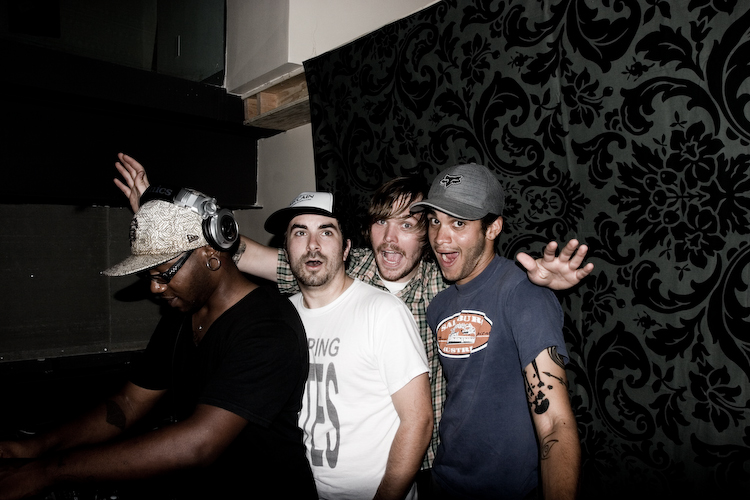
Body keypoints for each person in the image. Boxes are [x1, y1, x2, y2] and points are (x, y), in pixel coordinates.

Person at [112, 154, 594, 492]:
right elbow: (238, 253)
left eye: (409, 224)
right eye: (382, 222)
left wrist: (538, 284)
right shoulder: (345, 266)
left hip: (426, 469)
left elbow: (488, 276)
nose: (391, 239)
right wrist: (162, 222)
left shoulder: (443, 287)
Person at [0, 187, 316, 500]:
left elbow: (198, 445)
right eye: (148, 276)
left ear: (210, 255)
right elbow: (128, 404)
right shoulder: (182, 314)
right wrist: (31, 448)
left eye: (164, 273)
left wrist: (47, 472)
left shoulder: (269, 328)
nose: (154, 288)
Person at [410, 163, 581, 500]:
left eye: (459, 223)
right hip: (445, 482)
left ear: (493, 228)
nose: (440, 238)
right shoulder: (438, 306)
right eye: (435, 221)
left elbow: (555, 423)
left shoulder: (523, 292)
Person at [261, 191, 433, 499]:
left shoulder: (383, 312)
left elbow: (419, 421)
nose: (312, 245)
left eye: (326, 232)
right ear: (286, 249)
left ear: (346, 248)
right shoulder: (280, 319)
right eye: (300, 232)